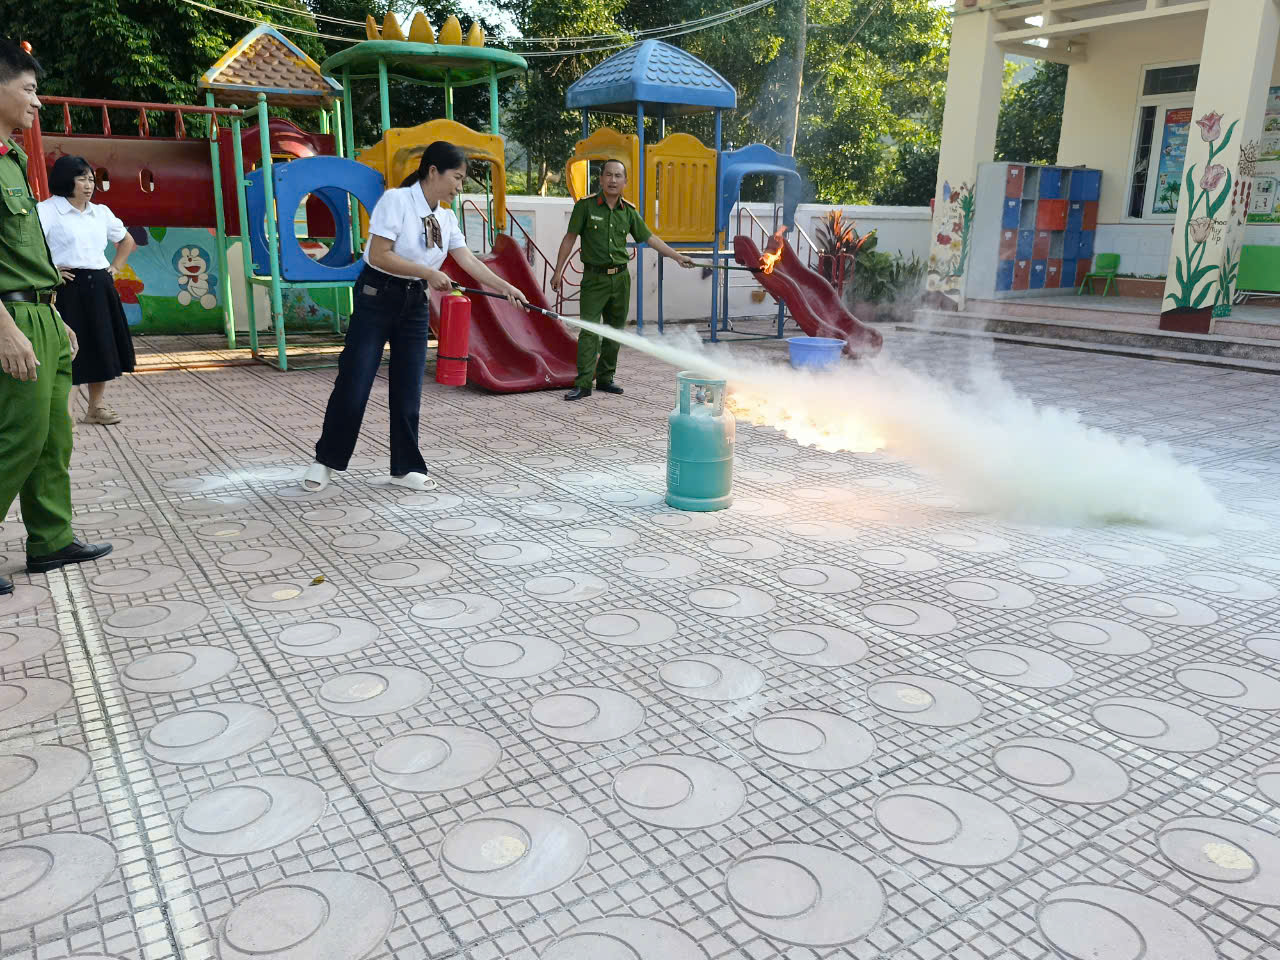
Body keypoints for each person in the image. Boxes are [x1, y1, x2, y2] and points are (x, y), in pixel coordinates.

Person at [303, 141, 527, 492]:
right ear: (433, 171)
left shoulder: (446, 217)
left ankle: (406, 467)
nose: (460, 186)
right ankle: (325, 461)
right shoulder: (397, 201)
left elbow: (468, 260)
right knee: (355, 382)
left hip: (414, 305)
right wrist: (427, 272)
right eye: (457, 177)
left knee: (408, 388)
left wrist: (506, 287)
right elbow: (379, 255)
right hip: (376, 298)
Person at [0, 39, 111, 598]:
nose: (37, 101)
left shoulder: (14, 160)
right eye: (29, 89)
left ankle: (50, 540)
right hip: (9, 317)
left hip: (38, 312)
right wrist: (6, 329)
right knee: (17, 438)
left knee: (51, 438)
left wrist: (51, 313)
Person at [551, 159, 695, 401]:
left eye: (618, 176)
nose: (613, 180)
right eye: (608, 175)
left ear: (625, 182)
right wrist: (558, 271)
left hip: (620, 279)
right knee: (589, 331)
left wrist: (677, 257)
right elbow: (570, 238)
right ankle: (583, 383)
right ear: (600, 179)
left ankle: (605, 378)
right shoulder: (585, 206)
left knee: (615, 330)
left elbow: (650, 238)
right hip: (594, 279)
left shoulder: (628, 211)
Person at [38, 155, 137, 425]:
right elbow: (33, 249)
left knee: (100, 346)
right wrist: (51, 271)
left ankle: (96, 408)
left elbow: (126, 240)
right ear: (64, 180)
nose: (89, 185)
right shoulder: (46, 210)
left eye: (91, 179)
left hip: (100, 286)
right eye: (81, 178)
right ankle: (64, 414)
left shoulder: (100, 212)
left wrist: (115, 268)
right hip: (66, 288)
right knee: (69, 348)